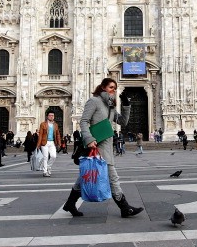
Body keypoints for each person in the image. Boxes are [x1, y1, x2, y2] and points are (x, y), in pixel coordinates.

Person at [63, 77, 143, 218]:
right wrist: (89, 139)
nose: (114, 90)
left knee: (85, 176)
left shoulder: (111, 105)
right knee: (113, 177)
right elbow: (84, 121)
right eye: (111, 87)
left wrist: (126, 105)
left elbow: (123, 122)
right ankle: (124, 208)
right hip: (96, 145)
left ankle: (70, 203)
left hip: (106, 145)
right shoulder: (94, 101)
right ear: (103, 87)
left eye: (115, 88)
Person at [37, 109, 61, 177]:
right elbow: (40, 134)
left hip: (52, 142)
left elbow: (58, 134)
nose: (51, 117)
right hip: (44, 142)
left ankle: (48, 167)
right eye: (50, 115)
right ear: (47, 116)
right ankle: (45, 172)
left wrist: (59, 143)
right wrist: (38, 145)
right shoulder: (43, 124)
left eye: (52, 115)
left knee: (53, 156)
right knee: (45, 157)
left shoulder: (55, 125)